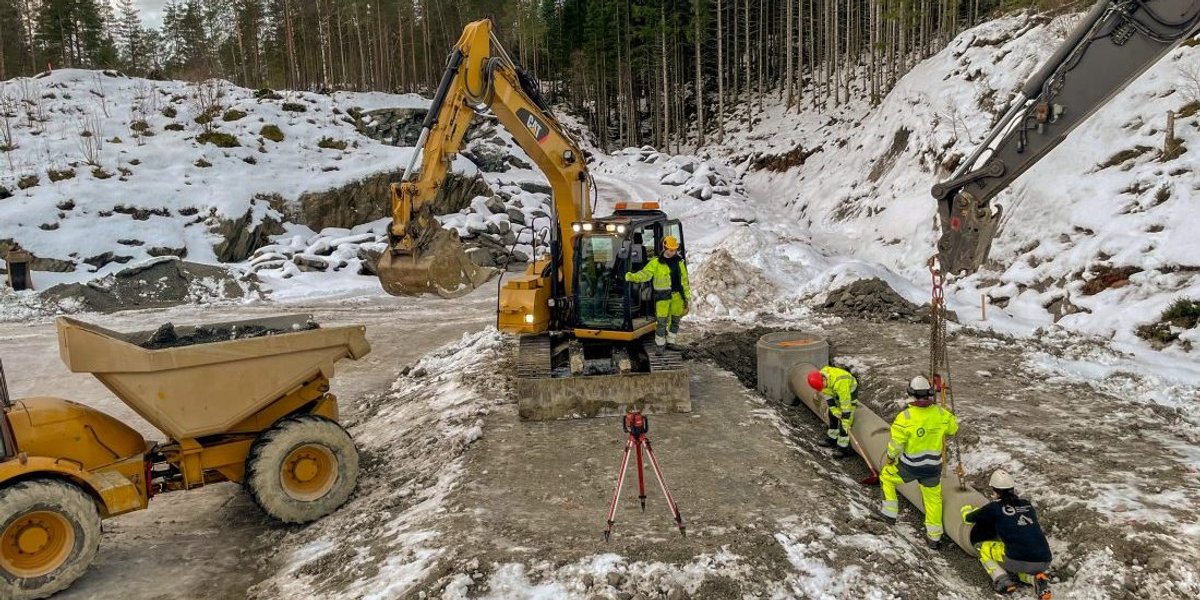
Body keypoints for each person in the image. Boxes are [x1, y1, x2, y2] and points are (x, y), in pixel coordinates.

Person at [878, 375, 959, 549]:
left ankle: (889, 514)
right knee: (933, 500)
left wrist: (890, 458)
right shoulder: (941, 414)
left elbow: (896, 445)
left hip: (910, 467)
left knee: (886, 477)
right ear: (930, 393)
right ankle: (934, 537)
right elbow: (953, 429)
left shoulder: (905, 417)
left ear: (911, 394)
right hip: (933, 468)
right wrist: (946, 413)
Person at [961, 469, 1053, 599]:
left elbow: (969, 518)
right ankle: (1036, 579)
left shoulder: (995, 507)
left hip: (1018, 560)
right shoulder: (1027, 504)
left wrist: (966, 510)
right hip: (1044, 560)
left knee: (981, 547)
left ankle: (1002, 580)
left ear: (995, 490)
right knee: (1018, 558)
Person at [625, 235, 689, 354]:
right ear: (665, 248)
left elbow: (684, 281)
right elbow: (645, 274)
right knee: (661, 322)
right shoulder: (656, 263)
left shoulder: (679, 262)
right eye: (671, 250)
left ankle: (671, 342)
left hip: (677, 297)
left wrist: (686, 297)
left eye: (674, 250)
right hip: (663, 298)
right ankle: (660, 345)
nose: (673, 252)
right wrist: (632, 277)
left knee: (675, 321)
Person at [805, 366, 858, 458]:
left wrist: (845, 419)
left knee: (844, 424)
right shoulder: (822, 380)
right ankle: (832, 439)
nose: (823, 388)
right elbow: (828, 396)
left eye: (823, 386)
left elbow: (846, 403)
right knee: (832, 415)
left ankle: (842, 448)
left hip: (849, 392)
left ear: (824, 379)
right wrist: (834, 410)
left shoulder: (841, 382)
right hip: (835, 390)